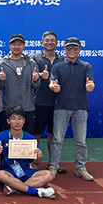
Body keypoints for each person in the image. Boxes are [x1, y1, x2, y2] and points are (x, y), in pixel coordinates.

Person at [48, 37, 96, 181]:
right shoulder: (57, 66)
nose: (72, 50)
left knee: (81, 141)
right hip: (61, 107)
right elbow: (52, 82)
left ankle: (80, 167)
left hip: (80, 107)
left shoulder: (86, 66)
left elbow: (91, 82)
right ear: (64, 49)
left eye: (75, 47)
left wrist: (91, 86)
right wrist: (53, 86)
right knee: (57, 140)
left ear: (79, 50)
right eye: (69, 47)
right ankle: (53, 166)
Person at [0, 106, 56, 198]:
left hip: (25, 170)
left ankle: (14, 187)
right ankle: (34, 191)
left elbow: (37, 162)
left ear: (24, 121)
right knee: (1, 175)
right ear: (8, 121)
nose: (17, 122)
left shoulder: (30, 138)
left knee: (48, 175)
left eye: (20, 118)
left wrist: (38, 156)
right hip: (9, 171)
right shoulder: (1, 136)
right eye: (13, 119)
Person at [0, 34, 40, 135]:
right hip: (9, 107)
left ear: (23, 46)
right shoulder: (2, 63)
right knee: (10, 137)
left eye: (20, 44)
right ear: (10, 45)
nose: (17, 47)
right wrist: (0, 79)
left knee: (28, 137)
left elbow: (36, 86)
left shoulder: (31, 63)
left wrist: (35, 80)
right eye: (14, 44)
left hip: (28, 107)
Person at [32, 31, 65, 171]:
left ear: (57, 43)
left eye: (52, 40)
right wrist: (39, 75)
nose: (49, 42)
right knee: (36, 135)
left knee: (54, 135)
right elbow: (30, 77)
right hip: (39, 102)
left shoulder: (62, 60)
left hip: (58, 104)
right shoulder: (35, 58)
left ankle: (53, 163)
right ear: (42, 42)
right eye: (47, 40)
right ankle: (34, 162)